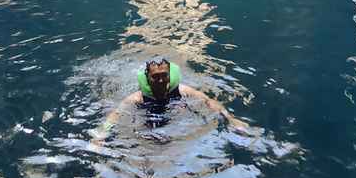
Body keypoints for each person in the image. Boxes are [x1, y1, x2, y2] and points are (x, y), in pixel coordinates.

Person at [94, 59, 248, 140]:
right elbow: (116, 114)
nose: (161, 80)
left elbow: (208, 101)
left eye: (164, 76)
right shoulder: (137, 98)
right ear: (147, 79)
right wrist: (100, 136)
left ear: (169, 76)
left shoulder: (182, 90)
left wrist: (231, 119)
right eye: (155, 77)